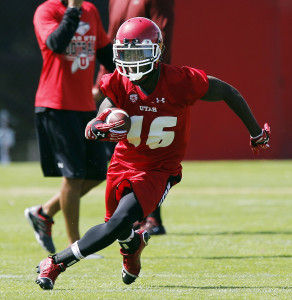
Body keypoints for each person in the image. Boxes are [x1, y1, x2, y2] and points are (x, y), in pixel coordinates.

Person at [34, 17, 270, 290]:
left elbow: (228, 92)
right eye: (127, 54)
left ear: (157, 51)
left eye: (139, 54)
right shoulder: (118, 82)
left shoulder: (181, 80)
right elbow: (103, 111)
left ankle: (56, 263)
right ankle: (133, 247)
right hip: (123, 163)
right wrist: (97, 125)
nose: (132, 61)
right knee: (119, 228)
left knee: (117, 224)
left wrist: (256, 132)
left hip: (159, 169)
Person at [24, 0, 116, 254]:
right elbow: (57, 43)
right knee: (73, 176)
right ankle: (76, 246)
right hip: (56, 106)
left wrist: (104, 86)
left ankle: (43, 213)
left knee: (97, 174)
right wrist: (73, 10)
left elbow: (106, 54)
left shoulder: (91, 10)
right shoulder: (46, 11)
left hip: (86, 107)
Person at [93, 0, 175, 235]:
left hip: (148, 76)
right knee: (125, 146)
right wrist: (104, 74)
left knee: (149, 148)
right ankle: (134, 216)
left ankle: (151, 217)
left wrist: (155, 82)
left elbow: (161, 35)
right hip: (122, 73)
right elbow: (112, 36)